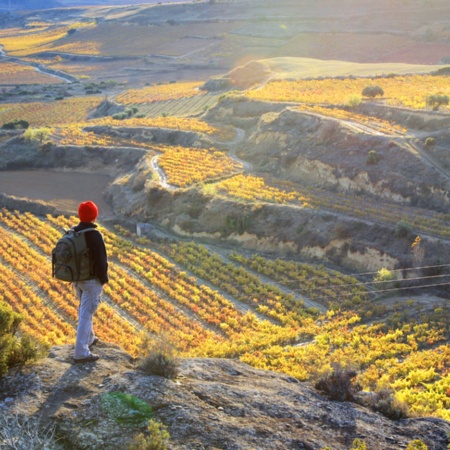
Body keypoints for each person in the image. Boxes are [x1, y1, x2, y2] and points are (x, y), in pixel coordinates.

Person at [73, 200, 109, 364]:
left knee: (84, 309)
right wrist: (103, 280)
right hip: (91, 280)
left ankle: (90, 338)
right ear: (94, 216)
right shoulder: (94, 235)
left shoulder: (74, 232)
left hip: (77, 279)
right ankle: (81, 352)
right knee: (86, 314)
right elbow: (101, 260)